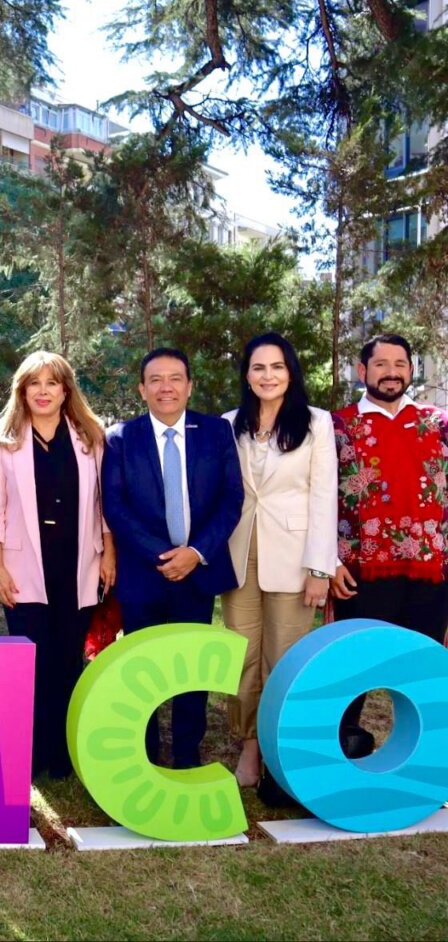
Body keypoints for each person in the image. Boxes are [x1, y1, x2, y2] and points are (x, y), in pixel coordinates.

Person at [0, 350, 115, 779]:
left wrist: (109, 553)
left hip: (79, 563)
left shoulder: (91, 437)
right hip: (22, 569)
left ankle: (65, 751)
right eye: (34, 383)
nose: (43, 391)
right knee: (32, 663)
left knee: (69, 659)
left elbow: (103, 504)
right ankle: (32, 753)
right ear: (22, 390)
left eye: (52, 383)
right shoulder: (3, 441)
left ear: (65, 390)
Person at [102, 347, 242, 769]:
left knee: (189, 669)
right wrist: (163, 555)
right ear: (142, 388)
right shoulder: (121, 438)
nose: (167, 387)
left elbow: (231, 500)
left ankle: (186, 753)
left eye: (175, 378)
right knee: (143, 668)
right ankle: (145, 752)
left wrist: (196, 553)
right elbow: (115, 505)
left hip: (196, 574)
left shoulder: (216, 432)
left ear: (189, 385)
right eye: (156, 379)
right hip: (143, 576)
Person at [221, 333, 337, 786]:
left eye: (276, 367)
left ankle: (278, 751)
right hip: (239, 553)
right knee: (242, 656)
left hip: (295, 557)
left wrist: (319, 568)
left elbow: (325, 496)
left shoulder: (316, 423)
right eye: (258, 368)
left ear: (290, 372)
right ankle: (249, 748)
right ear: (247, 376)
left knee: (284, 658)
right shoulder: (229, 423)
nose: (267, 376)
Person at [331, 333, 448, 743]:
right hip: (361, 569)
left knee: (424, 671)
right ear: (363, 371)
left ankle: (426, 755)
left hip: (431, 569)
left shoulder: (438, 422)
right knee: (354, 667)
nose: (391, 373)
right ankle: (343, 747)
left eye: (400, 364)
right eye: (381, 364)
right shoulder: (338, 425)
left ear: (411, 370)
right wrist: (330, 561)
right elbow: (320, 497)